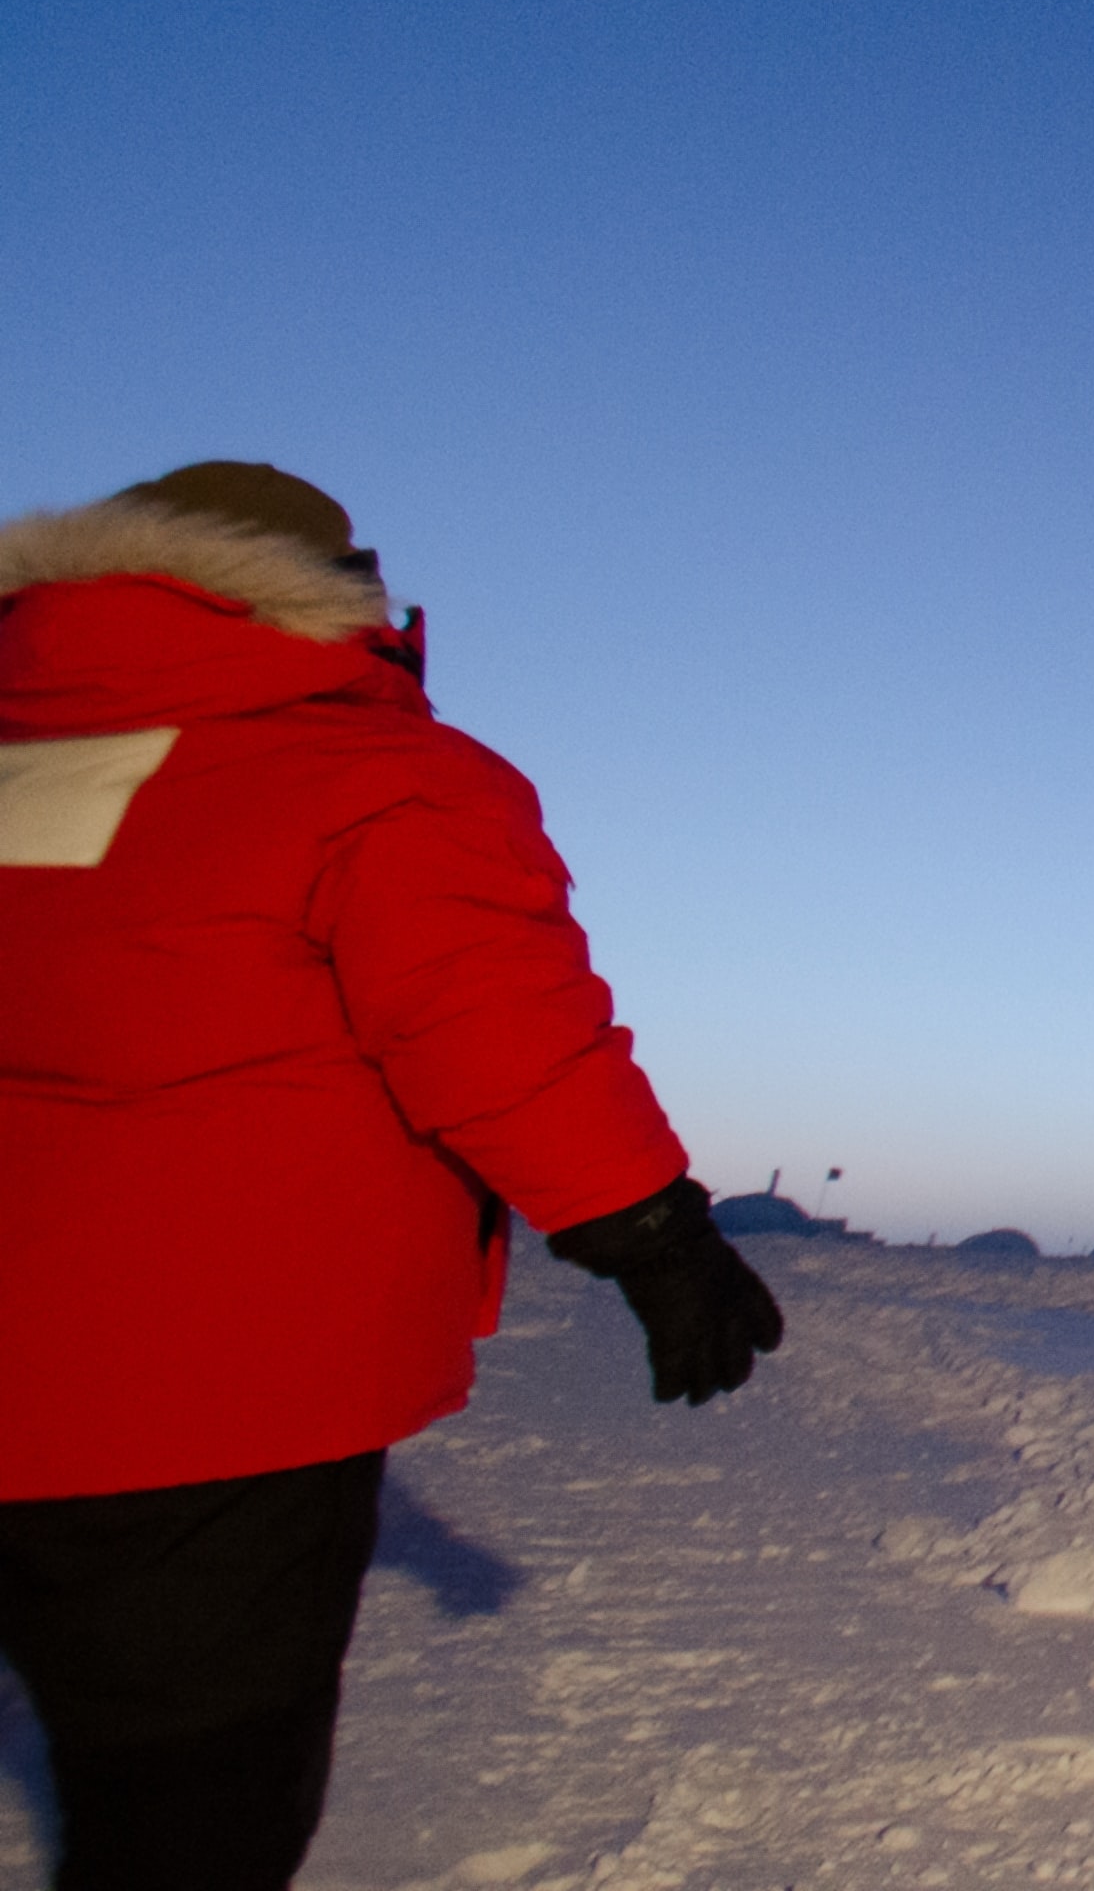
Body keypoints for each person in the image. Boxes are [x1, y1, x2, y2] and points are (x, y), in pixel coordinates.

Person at [0, 464, 783, 1891]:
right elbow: (498, 1035)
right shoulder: (364, 775)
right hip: (203, 1401)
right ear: (336, 596)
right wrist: (655, 1236)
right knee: (190, 1803)